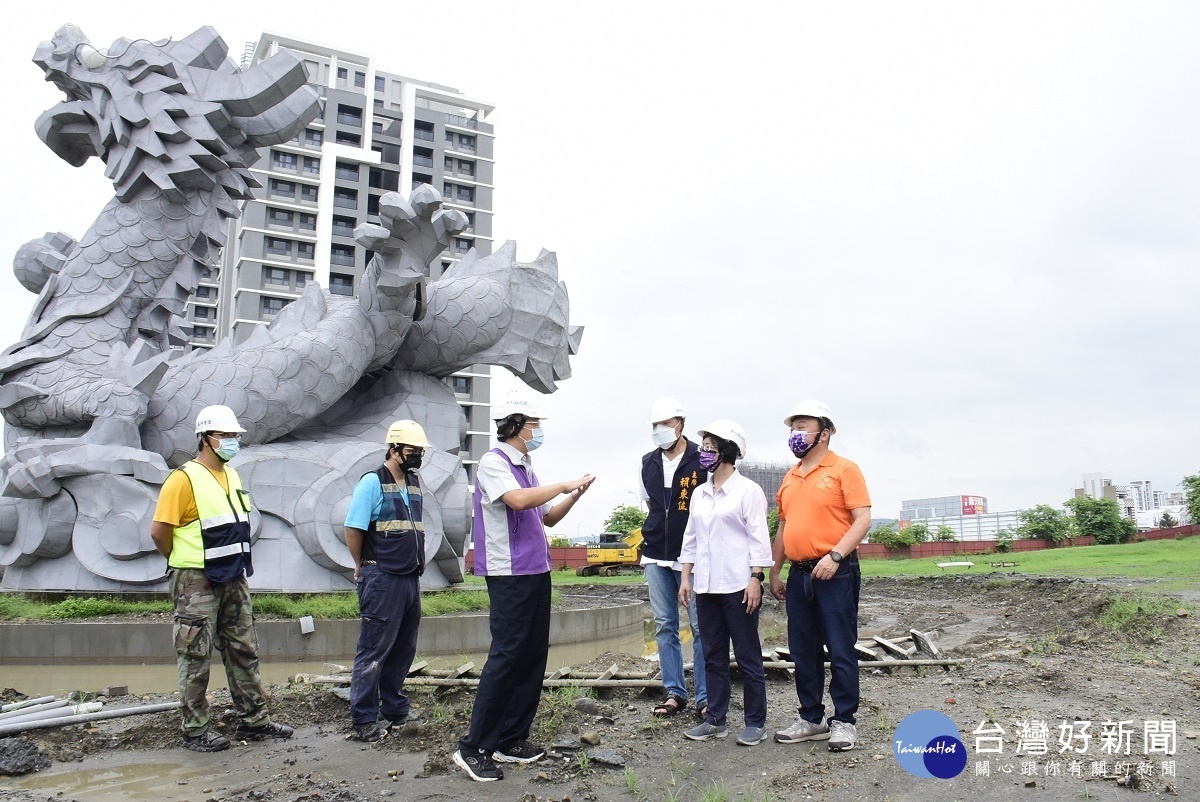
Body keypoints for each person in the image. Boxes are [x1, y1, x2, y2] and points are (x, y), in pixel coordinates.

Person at [454, 392, 595, 782]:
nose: (538, 431)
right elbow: (516, 502)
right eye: (534, 423)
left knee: (532, 654)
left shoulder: (526, 466)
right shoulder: (493, 462)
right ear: (514, 426)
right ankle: (474, 746)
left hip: (536, 570)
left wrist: (572, 495)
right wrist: (562, 482)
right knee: (506, 655)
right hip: (509, 573)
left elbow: (546, 518)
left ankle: (511, 737)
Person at [150, 405, 294, 752]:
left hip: (233, 576)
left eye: (234, 436)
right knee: (195, 655)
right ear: (204, 439)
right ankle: (195, 731)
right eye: (224, 435)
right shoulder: (183, 479)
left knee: (243, 648)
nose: (231, 442)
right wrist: (182, 562)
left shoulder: (231, 476)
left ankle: (254, 721)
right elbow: (159, 532)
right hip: (195, 579)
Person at [769, 400, 871, 753]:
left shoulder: (844, 469)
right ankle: (811, 718)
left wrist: (836, 555)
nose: (795, 434)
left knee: (841, 647)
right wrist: (775, 570)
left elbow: (862, 520)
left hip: (836, 571)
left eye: (803, 426)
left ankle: (844, 722)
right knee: (803, 650)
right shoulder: (790, 476)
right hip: (798, 575)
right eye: (792, 427)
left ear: (824, 432)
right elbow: (784, 526)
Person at [678, 420, 773, 746]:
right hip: (706, 587)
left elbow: (759, 539)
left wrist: (755, 578)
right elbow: (690, 539)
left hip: (737, 586)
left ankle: (755, 721)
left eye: (710, 448)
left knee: (748, 655)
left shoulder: (748, 491)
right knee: (713, 655)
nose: (703, 453)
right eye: (703, 447)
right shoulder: (700, 494)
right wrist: (685, 577)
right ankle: (715, 719)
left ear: (728, 453)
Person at [343, 420, 433, 743]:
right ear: (394, 449)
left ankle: (394, 707)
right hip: (381, 576)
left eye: (420, 452)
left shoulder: (413, 482)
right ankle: (364, 718)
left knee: (402, 648)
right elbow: (353, 529)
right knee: (373, 649)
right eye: (412, 451)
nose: (417, 457)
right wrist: (359, 564)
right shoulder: (372, 482)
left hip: (409, 577)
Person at [639, 397, 708, 719]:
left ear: (680, 424)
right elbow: (651, 505)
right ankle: (674, 692)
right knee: (665, 625)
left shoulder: (702, 459)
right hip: (655, 554)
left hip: (693, 556)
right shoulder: (647, 462)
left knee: (700, 626)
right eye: (655, 425)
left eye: (665, 424)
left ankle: (706, 696)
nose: (660, 430)